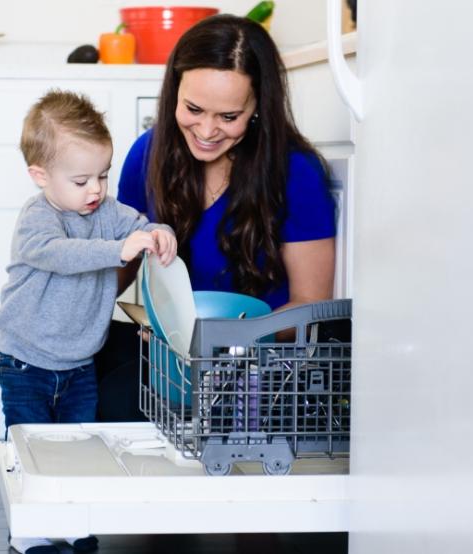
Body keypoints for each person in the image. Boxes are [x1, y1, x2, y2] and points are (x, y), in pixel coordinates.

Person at [95, 14, 337, 422]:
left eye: (229, 117)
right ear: (175, 90)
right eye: (193, 109)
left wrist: (213, 341)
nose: (206, 130)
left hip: (258, 364)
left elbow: (310, 303)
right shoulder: (148, 154)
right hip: (172, 351)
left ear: (258, 106)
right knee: (86, 383)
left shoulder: (296, 172)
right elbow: (121, 265)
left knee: (124, 404)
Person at [0, 90, 177, 554]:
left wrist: (159, 234)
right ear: (41, 176)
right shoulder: (37, 220)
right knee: (29, 443)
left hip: (78, 361)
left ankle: (72, 518)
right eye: (80, 180)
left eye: (103, 176)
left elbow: (142, 222)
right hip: (26, 360)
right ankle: (29, 529)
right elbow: (61, 256)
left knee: (77, 446)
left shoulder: (104, 212)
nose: (95, 190)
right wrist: (120, 249)